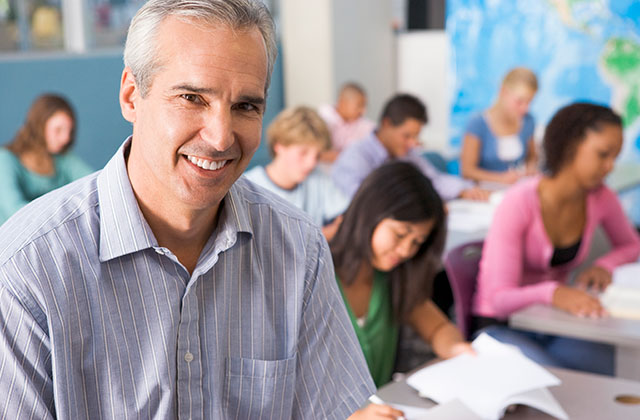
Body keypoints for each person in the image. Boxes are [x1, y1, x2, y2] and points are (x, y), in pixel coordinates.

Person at [0, 1, 375, 418]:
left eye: (245, 106)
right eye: (192, 97)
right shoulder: (26, 269)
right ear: (131, 96)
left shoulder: (298, 249)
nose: (219, 137)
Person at [472, 102, 640, 375]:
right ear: (571, 146)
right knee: (561, 384)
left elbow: (632, 244)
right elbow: (498, 298)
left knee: (604, 367)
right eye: (603, 154)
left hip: (552, 322)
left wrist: (604, 266)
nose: (610, 167)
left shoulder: (600, 197)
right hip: (501, 326)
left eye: (615, 157)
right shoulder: (519, 202)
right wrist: (553, 292)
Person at [333, 162, 474, 419]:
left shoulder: (393, 277)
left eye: (417, 242)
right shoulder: (315, 271)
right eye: (400, 235)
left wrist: (455, 348)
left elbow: (438, 328)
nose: (407, 250)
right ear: (370, 214)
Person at [332, 93, 490, 202]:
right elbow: (362, 201)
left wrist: (465, 190)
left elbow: (433, 180)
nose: (412, 143)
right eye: (406, 136)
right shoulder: (356, 156)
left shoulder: (408, 155)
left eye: (415, 137)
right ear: (386, 124)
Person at [244, 106, 348, 239]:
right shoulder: (248, 187)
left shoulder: (317, 178)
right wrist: (323, 234)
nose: (312, 163)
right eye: (303, 153)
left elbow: (347, 218)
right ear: (279, 146)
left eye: (317, 155)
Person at [0, 93, 92, 224]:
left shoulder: (62, 159)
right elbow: (14, 210)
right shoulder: (5, 159)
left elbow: (94, 182)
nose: (66, 138)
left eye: (69, 131)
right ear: (39, 127)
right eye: (58, 130)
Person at [460, 67, 539, 184]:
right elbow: (467, 171)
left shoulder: (528, 121)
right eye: (519, 101)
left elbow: (532, 157)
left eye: (529, 102)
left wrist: (531, 168)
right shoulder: (478, 123)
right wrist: (501, 179)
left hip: (515, 189)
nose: (525, 108)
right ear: (503, 92)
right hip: (484, 192)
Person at [317, 82, 375, 162]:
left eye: (364, 106)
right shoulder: (322, 119)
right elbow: (319, 154)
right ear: (342, 103)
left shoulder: (364, 124)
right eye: (359, 105)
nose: (363, 111)